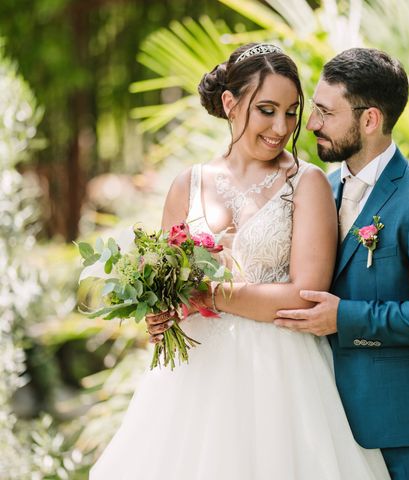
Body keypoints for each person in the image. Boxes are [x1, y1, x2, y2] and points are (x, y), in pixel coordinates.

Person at [90, 43, 390, 480]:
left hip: (283, 378)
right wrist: (159, 313)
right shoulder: (186, 185)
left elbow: (304, 297)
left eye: (290, 112)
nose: (281, 127)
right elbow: (167, 288)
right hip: (194, 381)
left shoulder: (306, 184)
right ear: (230, 103)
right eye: (266, 109)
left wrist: (210, 294)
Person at [273, 48, 409, 480]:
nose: (311, 124)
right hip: (334, 426)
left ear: (369, 120)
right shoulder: (321, 190)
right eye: (314, 110)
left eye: (325, 113)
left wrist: (345, 317)